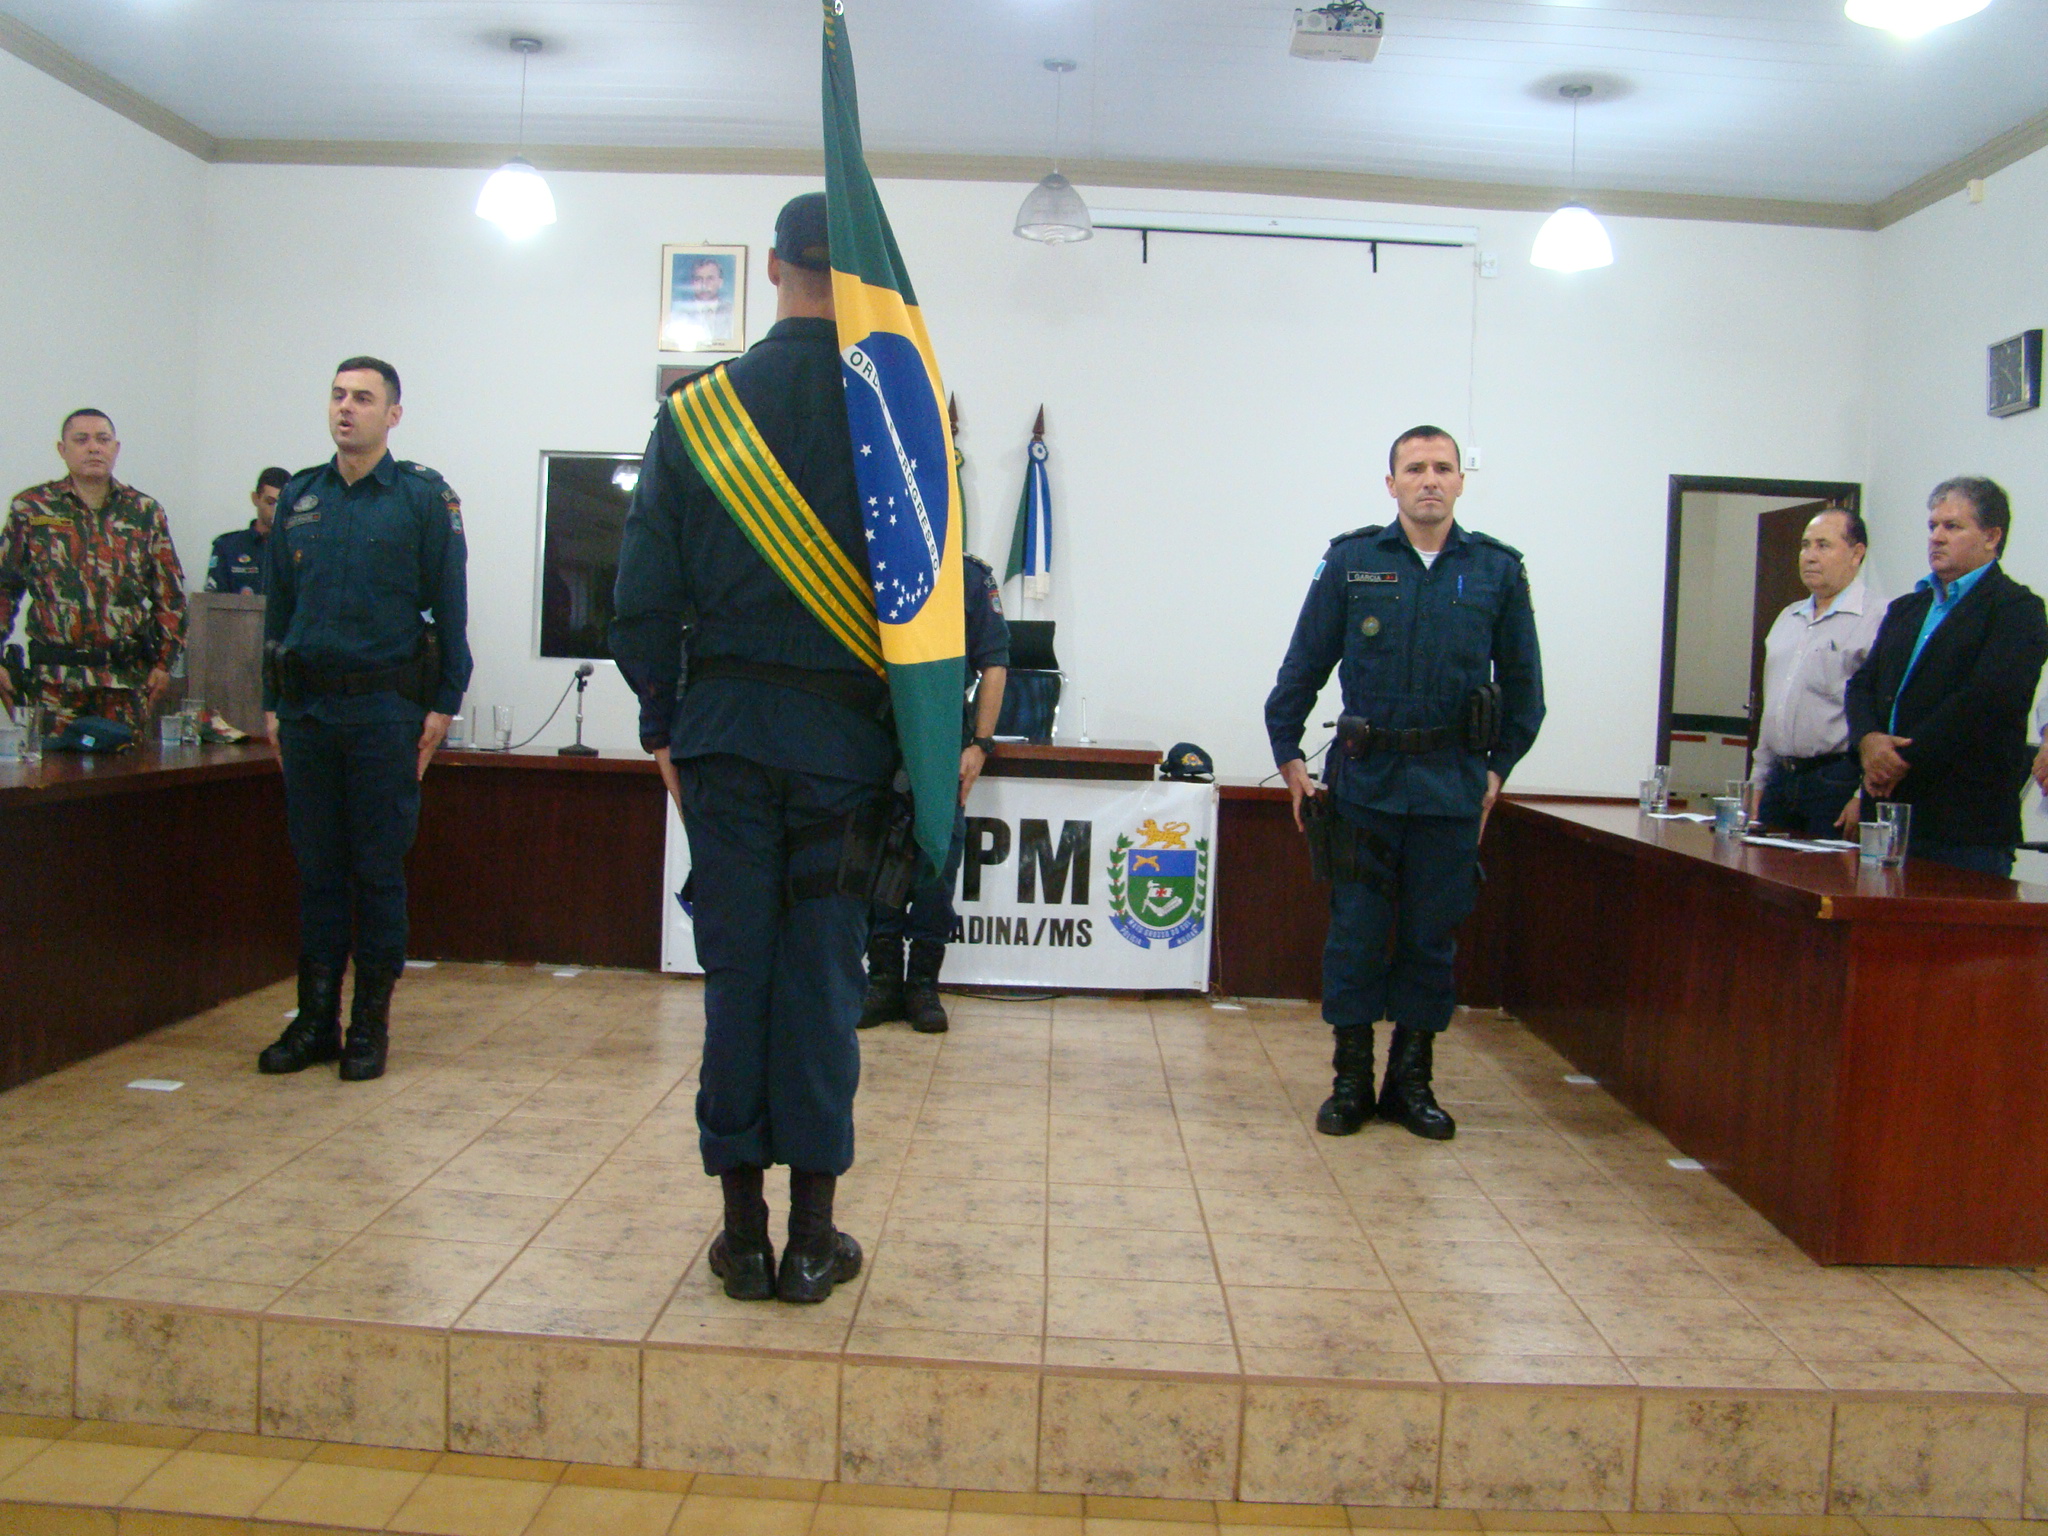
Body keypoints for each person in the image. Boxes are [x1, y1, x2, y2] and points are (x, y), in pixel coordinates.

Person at [612, 193, 886, 1305]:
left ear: (771, 268)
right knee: (821, 983)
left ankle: (740, 1238)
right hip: (844, 754)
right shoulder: (894, 419)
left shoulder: (695, 414)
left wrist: (663, 725)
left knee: (737, 981)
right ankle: (813, 1242)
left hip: (723, 745)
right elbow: (937, 618)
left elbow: (639, 601)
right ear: (855, 273)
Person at [1265, 425, 1544, 1142]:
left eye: (1442, 468)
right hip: (1365, 785)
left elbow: (1526, 692)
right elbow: (1302, 666)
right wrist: (1288, 755)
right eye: (1414, 468)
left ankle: (1410, 1084)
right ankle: (1351, 1082)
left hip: (1451, 789)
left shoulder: (1497, 571)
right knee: (1355, 937)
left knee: (1430, 940)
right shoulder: (1353, 561)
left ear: (1461, 482)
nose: (1430, 480)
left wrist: (1496, 771)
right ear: (1390, 484)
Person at [255, 358, 470, 1082]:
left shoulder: (422, 497)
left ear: (393, 415)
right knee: (317, 870)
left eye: (363, 398)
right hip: (309, 711)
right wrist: (273, 702)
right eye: (338, 395)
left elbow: (450, 604)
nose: (346, 408)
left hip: (385, 713)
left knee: (377, 871)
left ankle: (369, 1026)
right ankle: (315, 1021)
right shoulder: (301, 496)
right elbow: (279, 611)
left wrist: (445, 701)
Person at [1846, 476, 2047, 878]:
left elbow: (1985, 702)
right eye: (1932, 526)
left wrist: (1896, 759)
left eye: (1952, 526)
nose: (1936, 537)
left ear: (1991, 536)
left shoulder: (2016, 609)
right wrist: (1868, 741)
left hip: (1962, 825)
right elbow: (1862, 685)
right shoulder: (1907, 608)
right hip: (1885, 811)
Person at [860, 552, 1009, 1033]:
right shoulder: (875, 556)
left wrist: (981, 745)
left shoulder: (967, 575)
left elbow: (995, 663)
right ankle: (882, 980)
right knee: (875, 860)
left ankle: (923, 985)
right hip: (875, 735)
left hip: (941, 739)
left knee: (937, 866)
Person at [0, 409, 186, 733]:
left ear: (116, 448)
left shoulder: (144, 512)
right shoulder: (31, 508)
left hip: (125, 682)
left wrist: (164, 663)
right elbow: (4, 587)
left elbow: (170, 596)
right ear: (62, 449)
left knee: (125, 763)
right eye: (81, 440)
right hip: (53, 683)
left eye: (103, 439)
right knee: (51, 765)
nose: (94, 448)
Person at [1751, 508, 1884, 839]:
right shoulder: (1788, 618)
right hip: (1781, 778)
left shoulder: (1879, 618)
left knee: (1825, 870)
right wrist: (1758, 781)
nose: (1809, 556)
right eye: (1805, 545)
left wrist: (1864, 795)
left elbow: (1884, 714)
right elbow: (1773, 708)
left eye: (1823, 545)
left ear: (1856, 553)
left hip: (1836, 779)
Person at [205, 467, 291, 594]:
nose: (276, 510)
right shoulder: (227, 546)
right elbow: (213, 600)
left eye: (282, 503)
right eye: (270, 502)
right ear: (255, 498)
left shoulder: (297, 547)